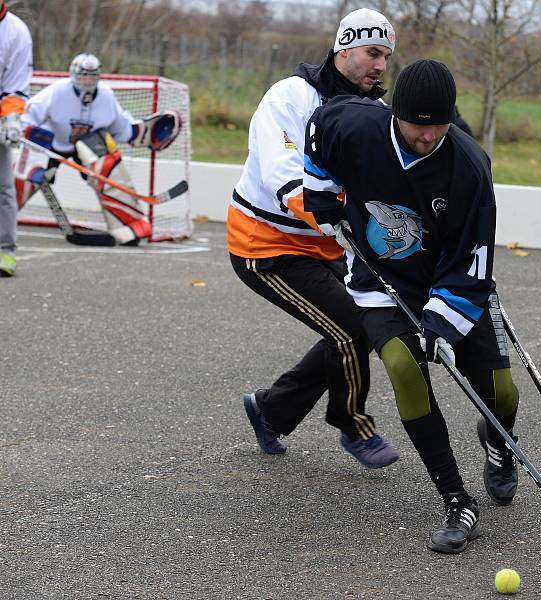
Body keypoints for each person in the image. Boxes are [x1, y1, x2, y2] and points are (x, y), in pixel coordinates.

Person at [303, 59, 521, 553]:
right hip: (381, 281)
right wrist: (320, 197)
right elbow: (318, 133)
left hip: (454, 283)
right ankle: (455, 498)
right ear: (394, 114)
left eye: (437, 125)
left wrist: (441, 321)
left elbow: (471, 257)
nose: (426, 135)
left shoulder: (468, 165)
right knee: (403, 366)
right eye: (416, 125)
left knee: (500, 393)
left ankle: (498, 443)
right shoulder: (355, 126)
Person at [228, 8, 399, 468]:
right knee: (351, 328)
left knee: (352, 327)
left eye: (386, 56)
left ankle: (270, 409)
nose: (381, 65)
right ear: (344, 47)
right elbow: (285, 176)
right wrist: (339, 221)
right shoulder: (290, 96)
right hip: (266, 245)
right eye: (373, 52)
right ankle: (353, 424)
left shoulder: (377, 113)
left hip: (328, 245)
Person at [20, 53, 179, 246]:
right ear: (73, 75)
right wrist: (23, 131)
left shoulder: (105, 96)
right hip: (52, 144)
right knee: (24, 175)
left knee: (109, 164)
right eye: (83, 75)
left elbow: (122, 128)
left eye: (92, 76)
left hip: (87, 146)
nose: (87, 81)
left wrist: (143, 132)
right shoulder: (57, 92)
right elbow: (27, 116)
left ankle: (129, 225)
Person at [0, 1, 32, 277]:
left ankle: (4, 251)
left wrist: (10, 120)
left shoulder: (16, 32)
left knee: (3, 187)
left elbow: (16, 86)